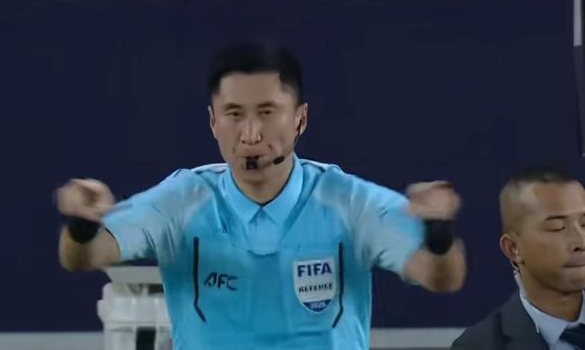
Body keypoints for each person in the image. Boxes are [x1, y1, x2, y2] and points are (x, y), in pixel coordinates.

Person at [56, 43, 467, 350]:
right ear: (213, 122)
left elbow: (441, 276)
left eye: (267, 113)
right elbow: (84, 257)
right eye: (234, 114)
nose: (251, 134)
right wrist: (81, 225)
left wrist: (439, 234)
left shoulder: (351, 203)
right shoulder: (180, 200)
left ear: (300, 119)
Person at [452, 167, 585, 350]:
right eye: (556, 227)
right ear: (513, 248)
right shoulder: (479, 345)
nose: (581, 242)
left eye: (584, 224)